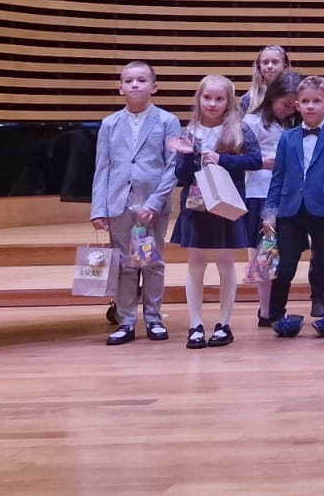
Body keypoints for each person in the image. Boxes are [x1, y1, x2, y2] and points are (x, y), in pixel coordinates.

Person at [92, 61, 181, 346]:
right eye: (128, 80)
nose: (134, 85)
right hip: (119, 204)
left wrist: (154, 202)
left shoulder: (167, 121)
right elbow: (102, 168)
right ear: (120, 88)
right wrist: (98, 209)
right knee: (125, 265)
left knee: (151, 262)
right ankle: (126, 321)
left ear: (154, 87)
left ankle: (154, 318)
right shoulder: (109, 124)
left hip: (151, 207)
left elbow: (172, 166)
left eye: (141, 80)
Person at [171, 75, 262, 349]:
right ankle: (195, 324)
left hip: (226, 203)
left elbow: (255, 160)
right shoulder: (189, 132)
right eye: (207, 97)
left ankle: (224, 323)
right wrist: (188, 155)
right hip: (195, 206)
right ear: (199, 99)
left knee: (225, 264)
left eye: (219, 99)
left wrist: (222, 159)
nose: (212, 103)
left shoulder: (239, 129)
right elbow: (181, 175)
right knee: (196, 264)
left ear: (228, 102)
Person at [262, 75, 324, 338]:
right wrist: (270, 212)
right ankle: (275, 313)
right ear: (297, 105)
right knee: (285, 265)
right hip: (290, 208)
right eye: (305, 101)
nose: (310, 106)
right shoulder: (287, 138)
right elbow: (278, 177)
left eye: (316, 101)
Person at [243, 72, 299, 326]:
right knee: (264, 254)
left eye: (294, 106)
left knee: (283, 255)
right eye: (285, 104)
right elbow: (236, 158)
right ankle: (265, 311)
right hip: (260, 194)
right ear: (273, 96)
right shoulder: (252, 122)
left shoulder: (295, 125)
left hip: (288, 195)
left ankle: (275, 308)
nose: (289, 110)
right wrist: (260, 163)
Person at [239, 45, 291, 112]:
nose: (270, 66)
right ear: (259, 66)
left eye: (275, 62)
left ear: (285, 65)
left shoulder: (294, 96)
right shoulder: (248, 99)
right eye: (265, 62)